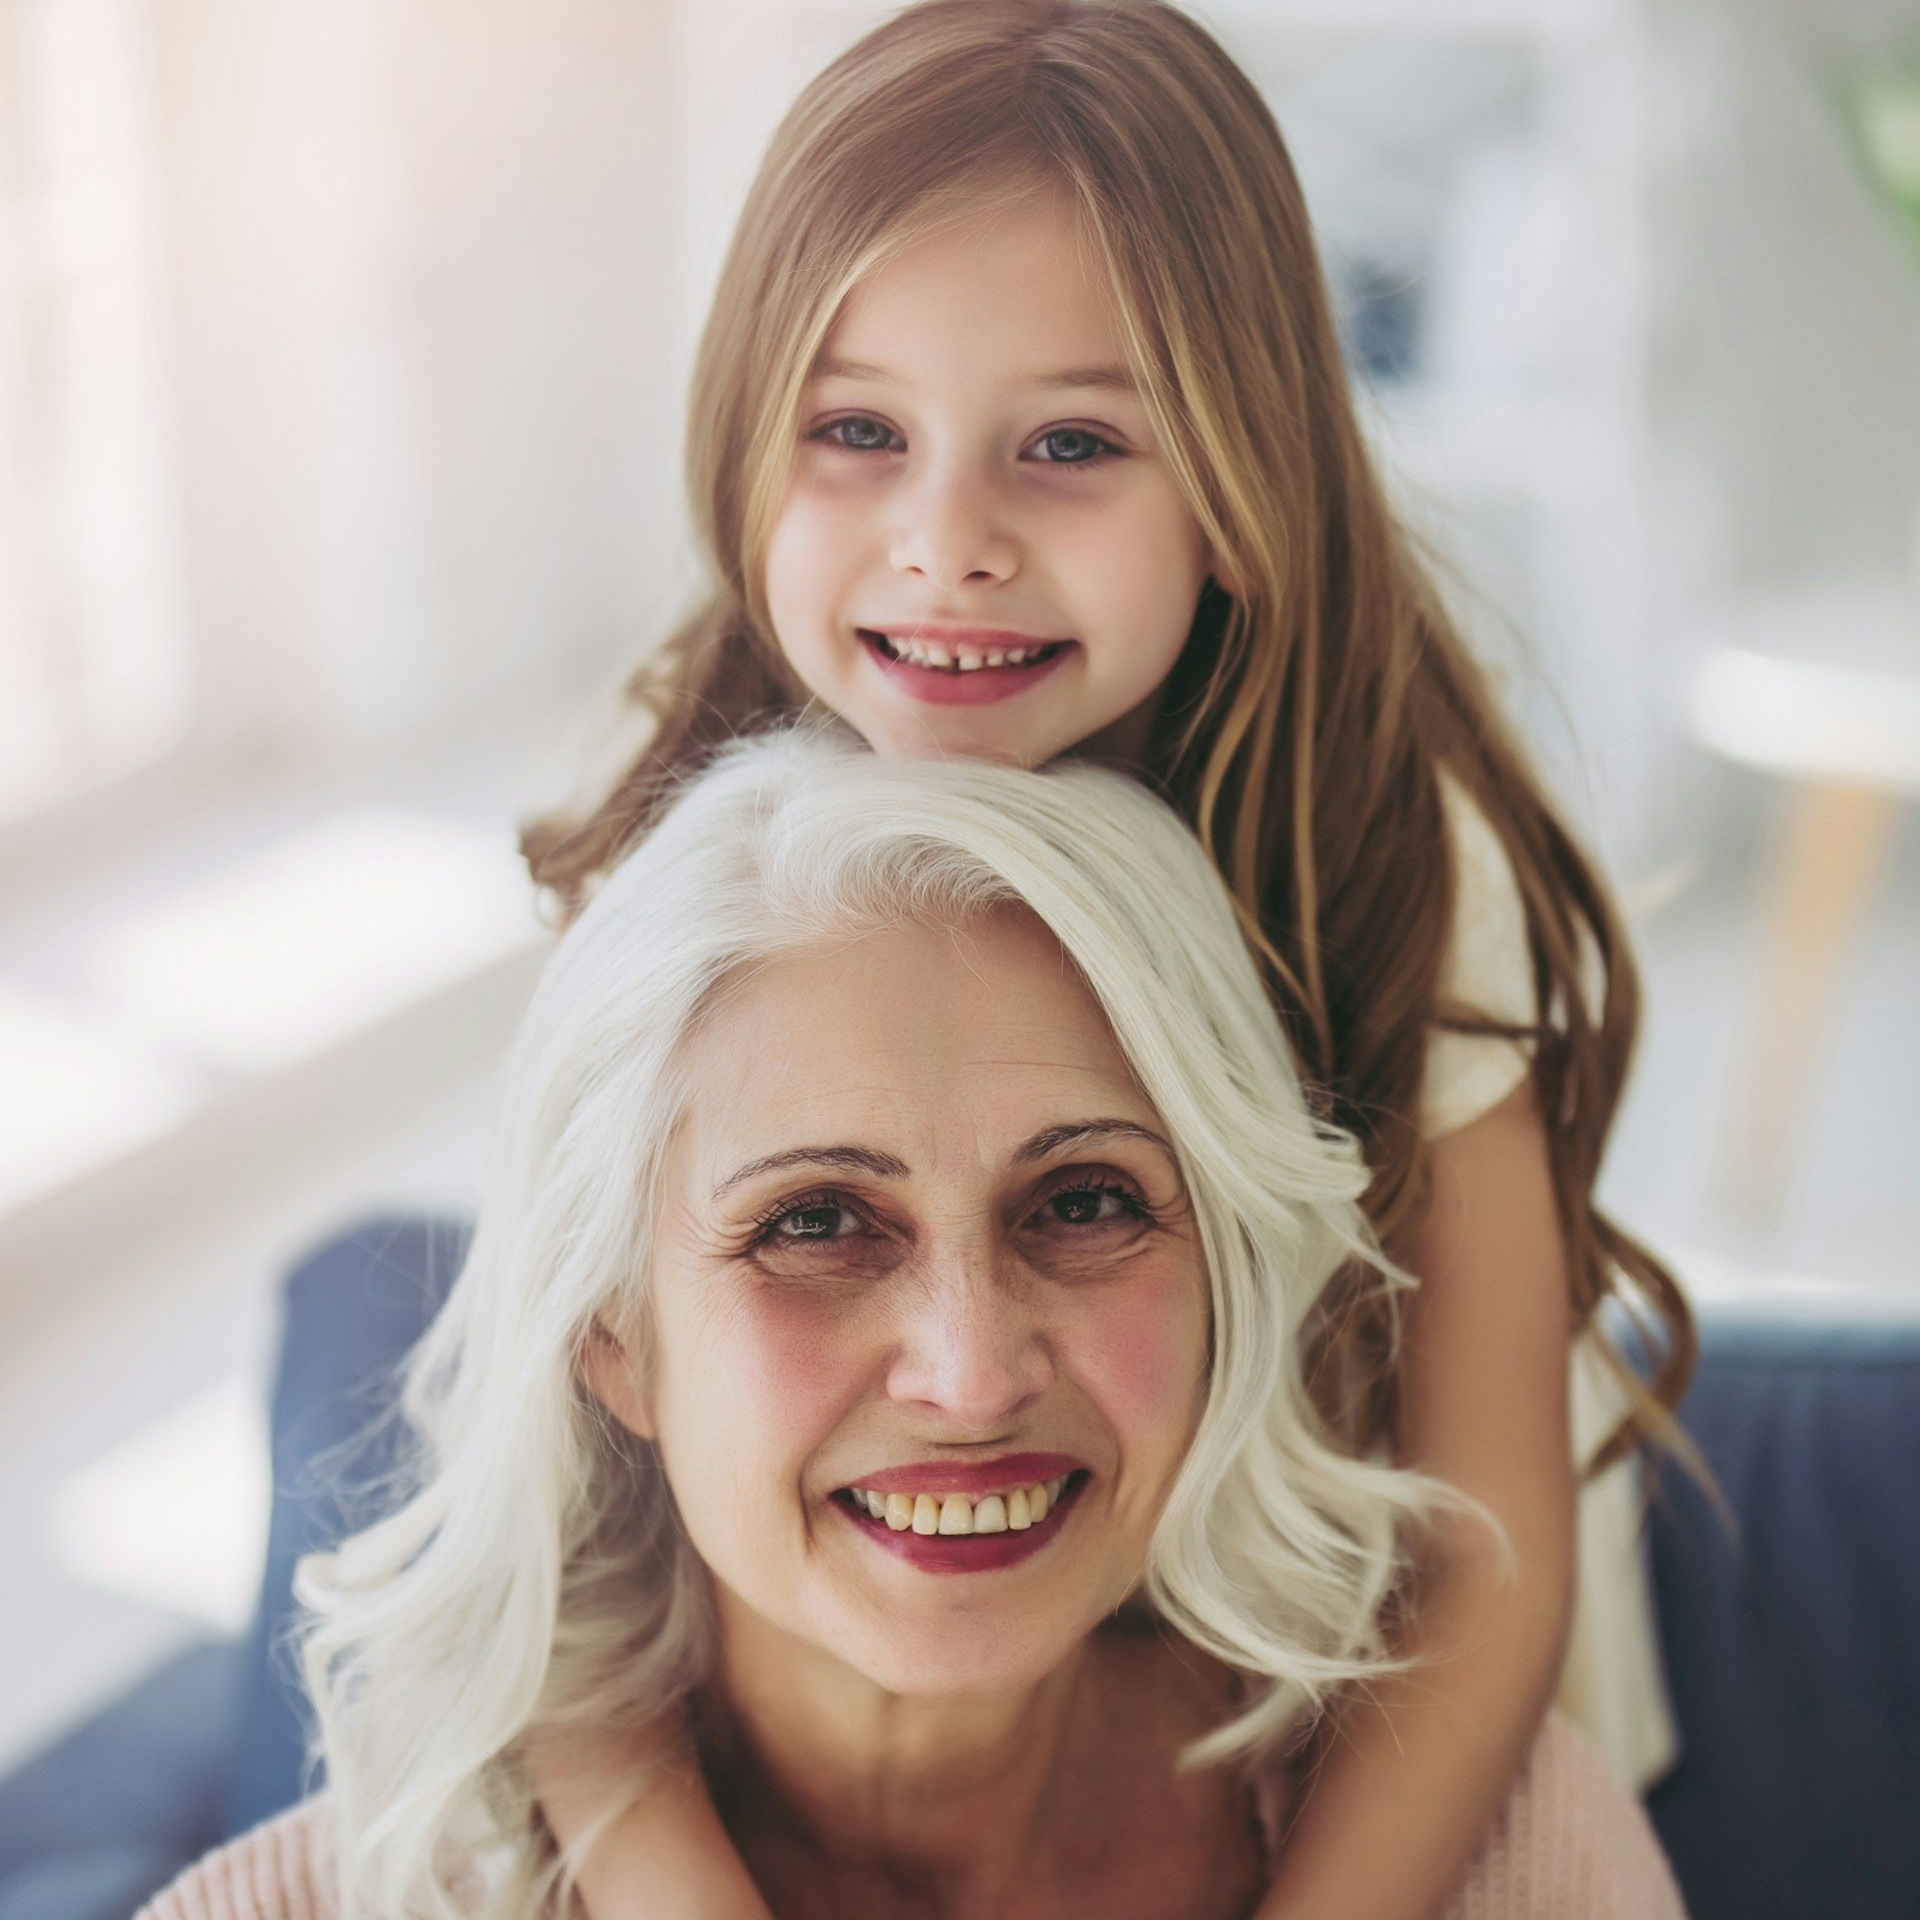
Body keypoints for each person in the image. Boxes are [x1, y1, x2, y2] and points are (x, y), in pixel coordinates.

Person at [512, 2, 1704, 1915]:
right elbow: (538, 1532)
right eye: (857, 432)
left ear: (1242, 478)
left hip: (1354, 1695)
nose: (946, 543)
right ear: (743, 441)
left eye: (1070, 442)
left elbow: (1479, 1560)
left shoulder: (1398, 858)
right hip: (890, 1657)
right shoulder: (666, 817)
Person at [137, 733, 1686, 1920]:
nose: (969, 1373)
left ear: (1228, 1276)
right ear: (612, 1337)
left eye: (1082, 1203)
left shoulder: (1515, 1857)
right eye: (814, 1223)